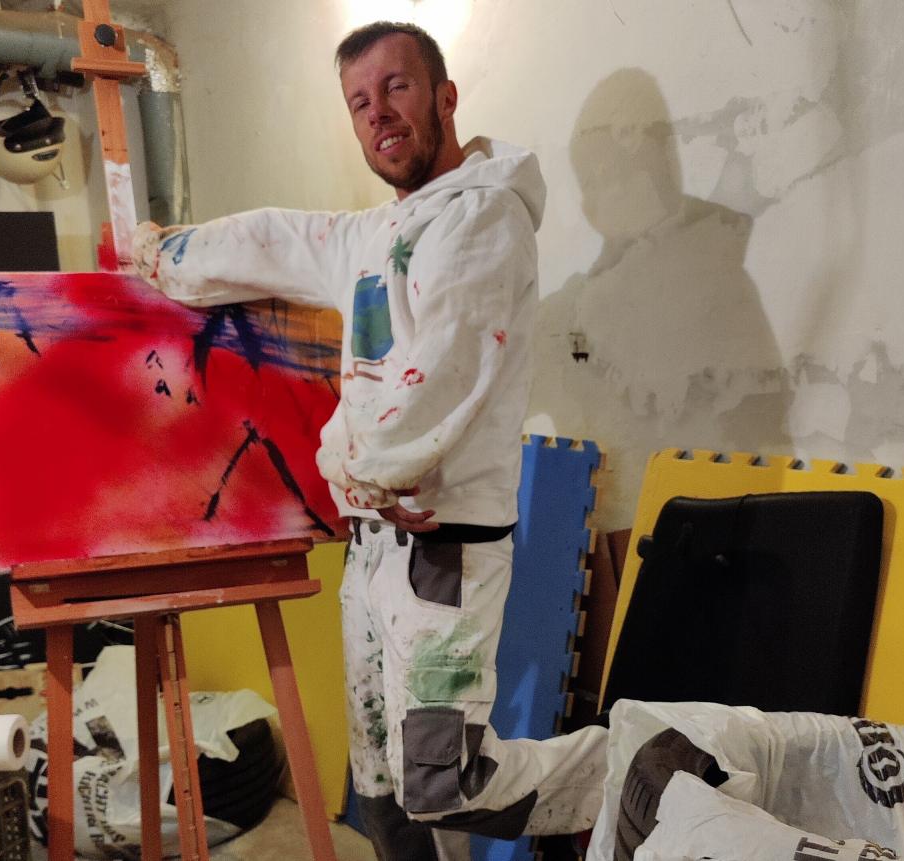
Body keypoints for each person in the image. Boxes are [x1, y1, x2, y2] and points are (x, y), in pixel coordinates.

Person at [132, 21, 608, 860]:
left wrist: (350, 473)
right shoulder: (375, 236)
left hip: (441, 557)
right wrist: (163, 256)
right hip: (374, 555)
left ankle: (630, 767)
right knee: (382, 787)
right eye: (360, 102)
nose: (379, 114)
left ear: (445, 96)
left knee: (442, 781)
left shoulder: (484, 222)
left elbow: (432, 389)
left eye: (397, 88)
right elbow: (278, 239)